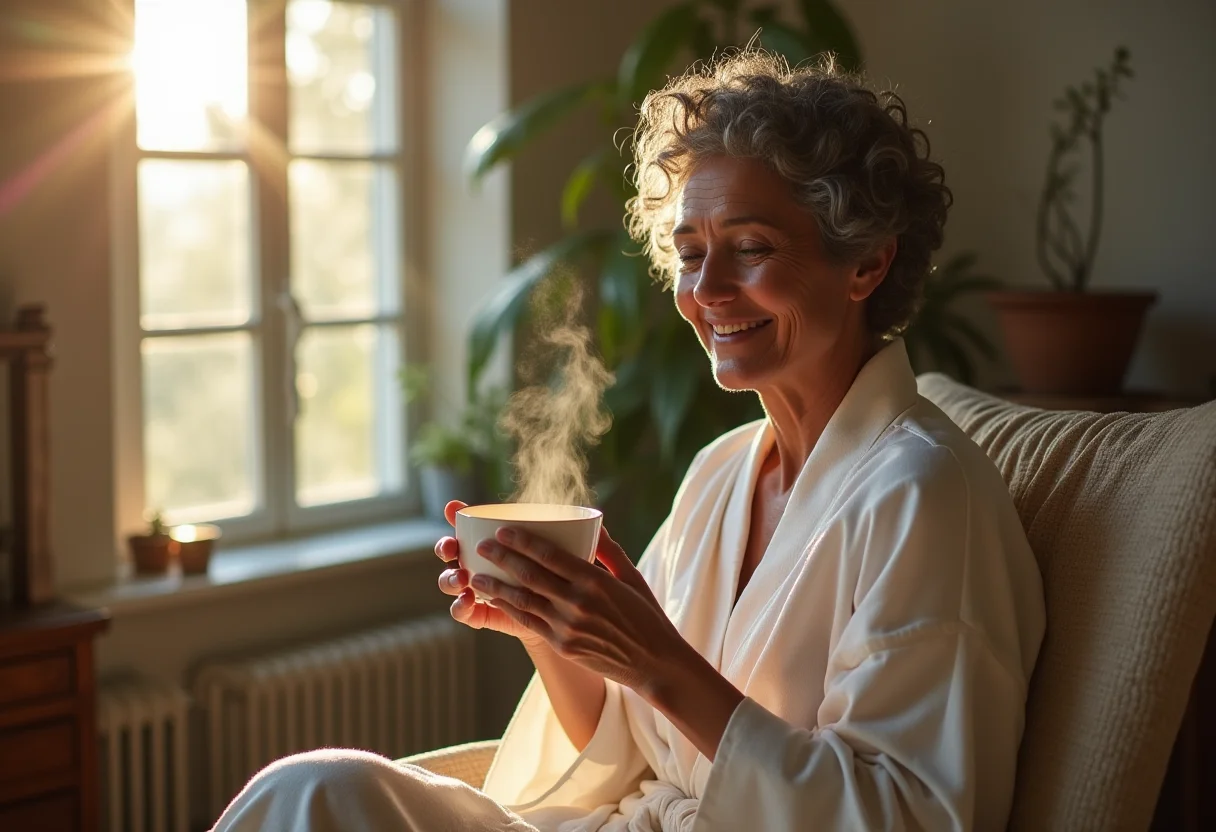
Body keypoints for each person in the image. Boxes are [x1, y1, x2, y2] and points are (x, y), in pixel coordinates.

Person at [213, 50, 1045, 832]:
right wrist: (552, 626)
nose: (708, 291)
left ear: (865, 263)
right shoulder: (722, 473)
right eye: (689, 253)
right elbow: (632, 748)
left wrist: (654, 659)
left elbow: (911, 814)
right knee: (313, 786)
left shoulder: (924, 497)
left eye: (751, 248)